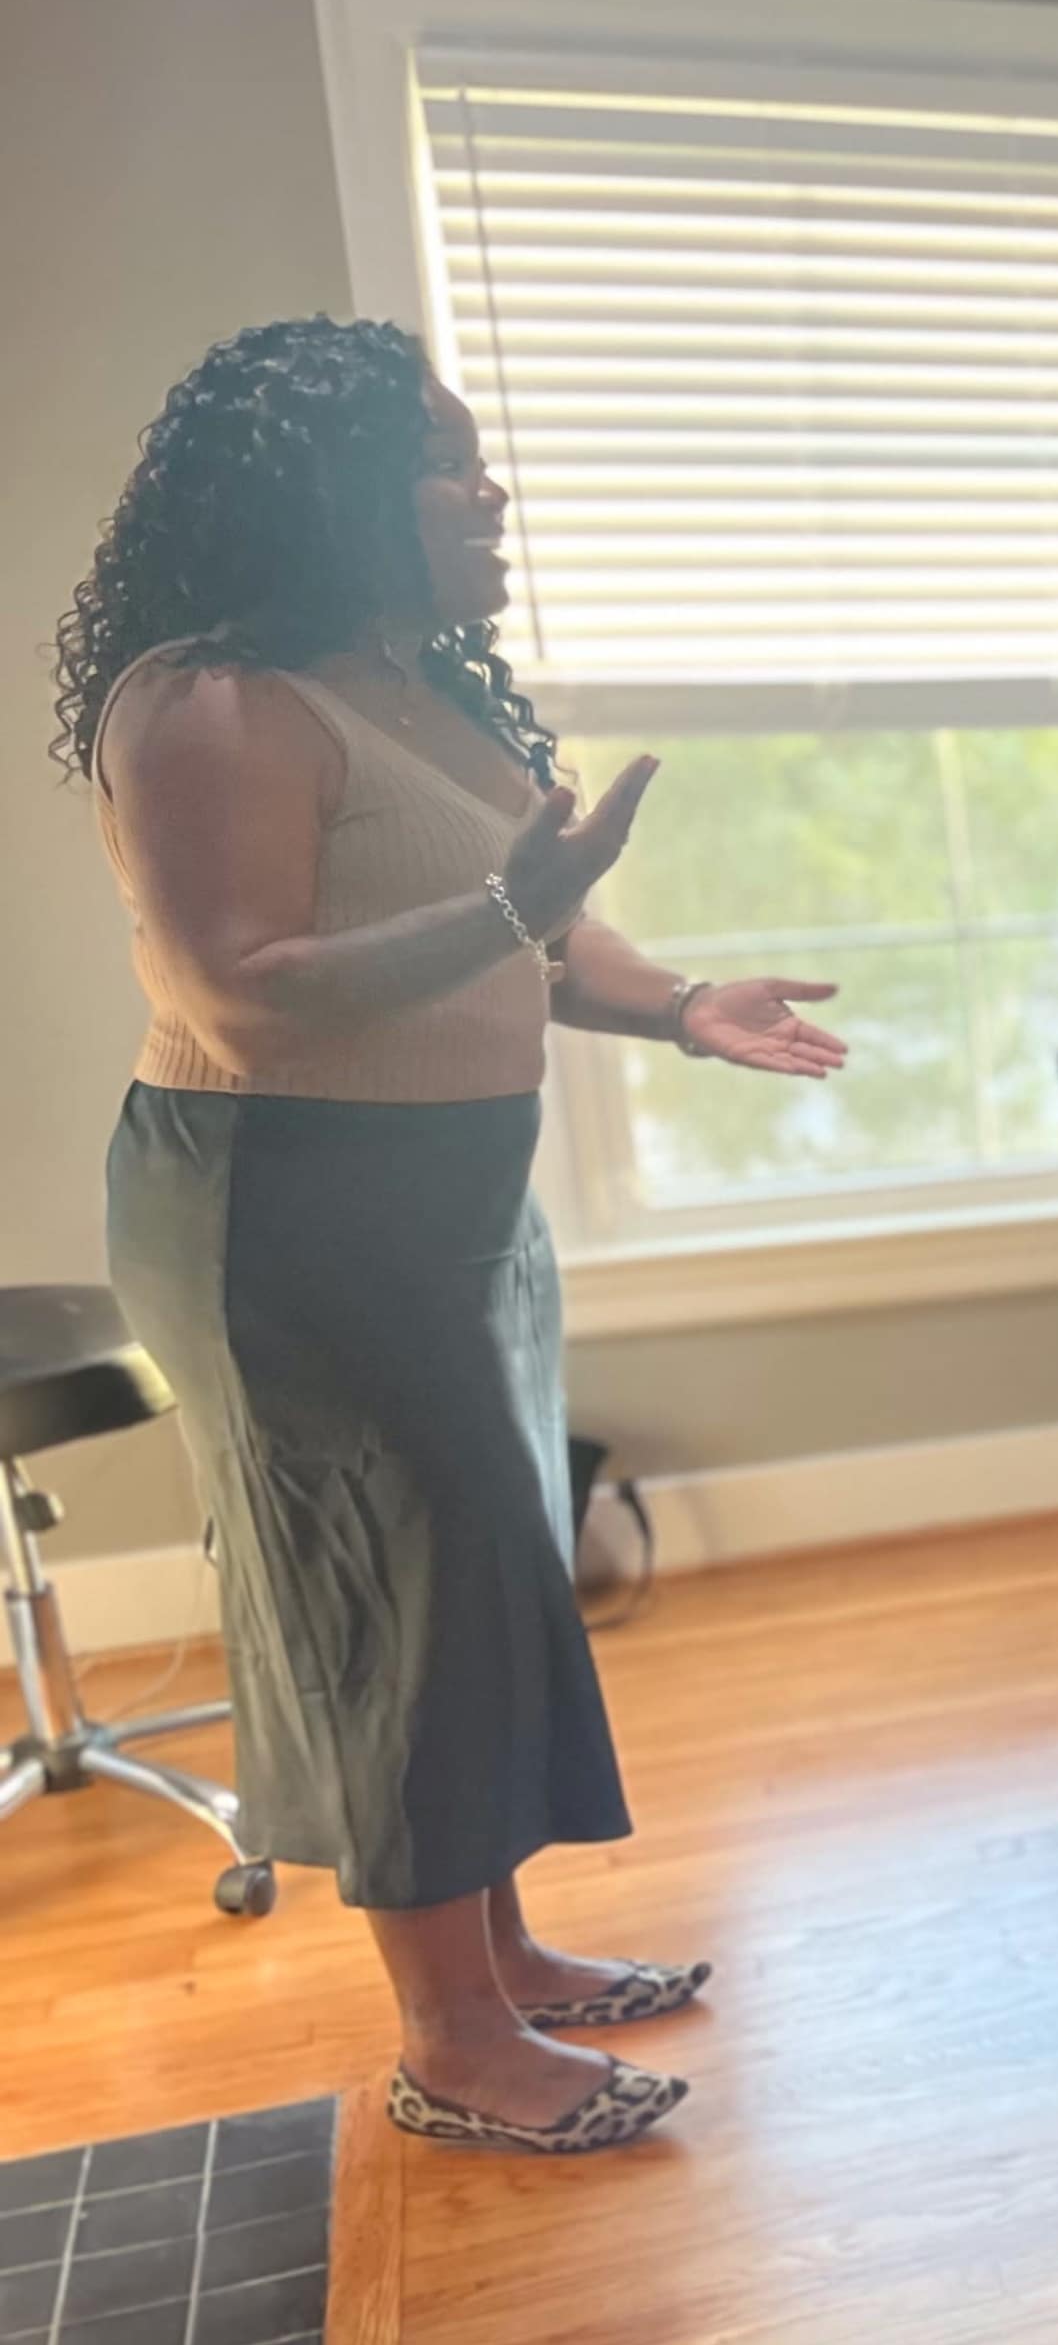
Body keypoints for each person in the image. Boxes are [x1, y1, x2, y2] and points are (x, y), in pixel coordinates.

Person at [54, 317, 848, 2155]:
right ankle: (453, 2049)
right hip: (283, 1204)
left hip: (449, 1194)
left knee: (479, 1577)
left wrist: (675, 1001)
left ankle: (503, 1960)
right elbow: (245, 995)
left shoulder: (418, 683)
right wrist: (513, 901)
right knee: (382, 1603)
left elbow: (545, 940)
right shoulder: (207, 703)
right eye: (443, 457)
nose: (488, 490)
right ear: (329, 490)